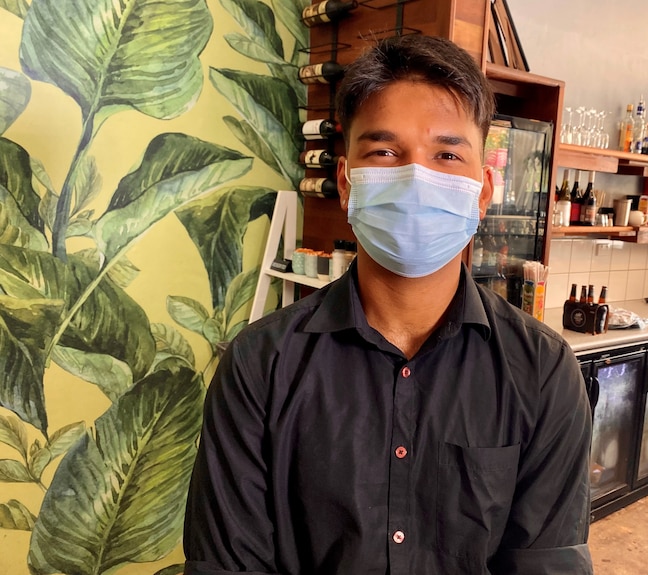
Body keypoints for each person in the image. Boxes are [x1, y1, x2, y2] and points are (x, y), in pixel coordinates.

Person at [183, 34, 594, 574]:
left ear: (484, 190)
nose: (415, 176)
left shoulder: (542, 372)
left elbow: (548, 565)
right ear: (347, 183)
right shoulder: (260, 367)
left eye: (447, 154)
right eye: (384, 151)